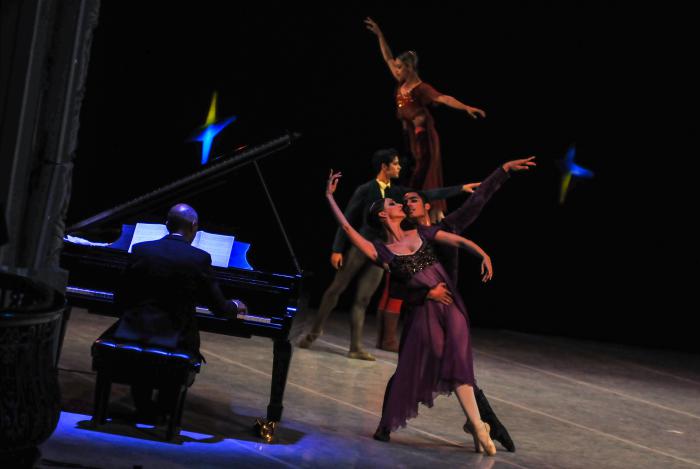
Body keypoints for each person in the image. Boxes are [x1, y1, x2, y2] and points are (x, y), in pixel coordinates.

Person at [324, 170, 498, 456]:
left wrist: (482, 254)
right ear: (382, 215)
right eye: (391, 205)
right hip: (424, 313)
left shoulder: (422, 232)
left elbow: (456, 240)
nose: (398, 206)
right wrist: (330, 197)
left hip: (450, 305)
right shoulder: (382, 251)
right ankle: (477, 427)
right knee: (420, 365)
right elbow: (347, 230)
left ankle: (478, 427)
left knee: (457, 362)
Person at [298, 149, 479, 361]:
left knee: (364, 298)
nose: (399, 167)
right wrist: (337, 249)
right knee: (336, 289)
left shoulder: (397, 193)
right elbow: (348, 220)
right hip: (362, 246)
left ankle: (355, 347)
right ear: (384, 166)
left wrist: (460, 188)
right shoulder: (366, 189)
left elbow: (427, 194)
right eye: (395, 164)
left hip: (384, 249)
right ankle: (315, 330)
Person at [112, 203, 246, 419]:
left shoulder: (140, 250)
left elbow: (120, 298)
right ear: (194, 226)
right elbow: (219, 309)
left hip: (135, 331)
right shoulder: (199, 258)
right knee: (179, 336)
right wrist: (235, 306)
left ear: (166, 224)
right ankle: (165, 409)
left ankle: (143, 406)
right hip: (176, 337)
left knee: (142, 337)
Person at [365, 17, 486, 220]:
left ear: (409, 68)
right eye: (396, 67)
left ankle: (416, 204)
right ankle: (413, 205)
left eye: (400, 67)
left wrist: (466, 107)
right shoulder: (401, 81)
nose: (396, 70)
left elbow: (443, 98)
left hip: (423, 134)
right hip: (409, 134)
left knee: (423, 170)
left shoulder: (421, 88)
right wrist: (380, 35)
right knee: (407, 166)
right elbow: (387, 58)